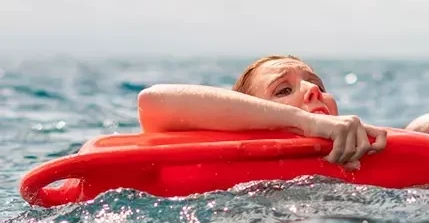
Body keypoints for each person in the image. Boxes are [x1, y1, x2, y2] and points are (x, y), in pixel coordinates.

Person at [137, 55, 388, 167]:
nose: (313, 90)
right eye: (283, 90)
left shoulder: (370, 153)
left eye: (319, 85)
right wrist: (306, 122)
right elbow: (154, 102)